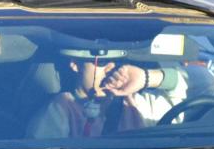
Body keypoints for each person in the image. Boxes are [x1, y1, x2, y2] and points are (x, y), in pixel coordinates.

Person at [28, 52, 190, 139]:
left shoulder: (136, 104)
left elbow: (206, 81)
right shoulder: (62, 107)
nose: (111, 68)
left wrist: (146, 77)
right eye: (102, 62)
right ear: (75, 64)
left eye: (117, 62)